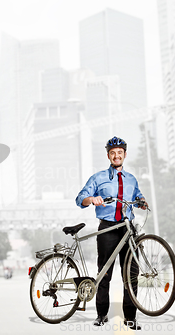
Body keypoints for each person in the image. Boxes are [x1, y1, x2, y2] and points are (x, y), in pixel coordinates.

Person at [75, 136, 148, 330]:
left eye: (120, 153)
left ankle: (131, 317)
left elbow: (137, 194)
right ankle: (101, 314)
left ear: (124, 155)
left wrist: (141, 200)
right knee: (104, 273)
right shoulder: (98, 178)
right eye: (113, 153)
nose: (117, 156)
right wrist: (91, 199)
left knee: (131, 274)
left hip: (128, 229)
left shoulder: (132, 179)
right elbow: (80, 198)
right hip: (108, 228)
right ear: (108, 156)